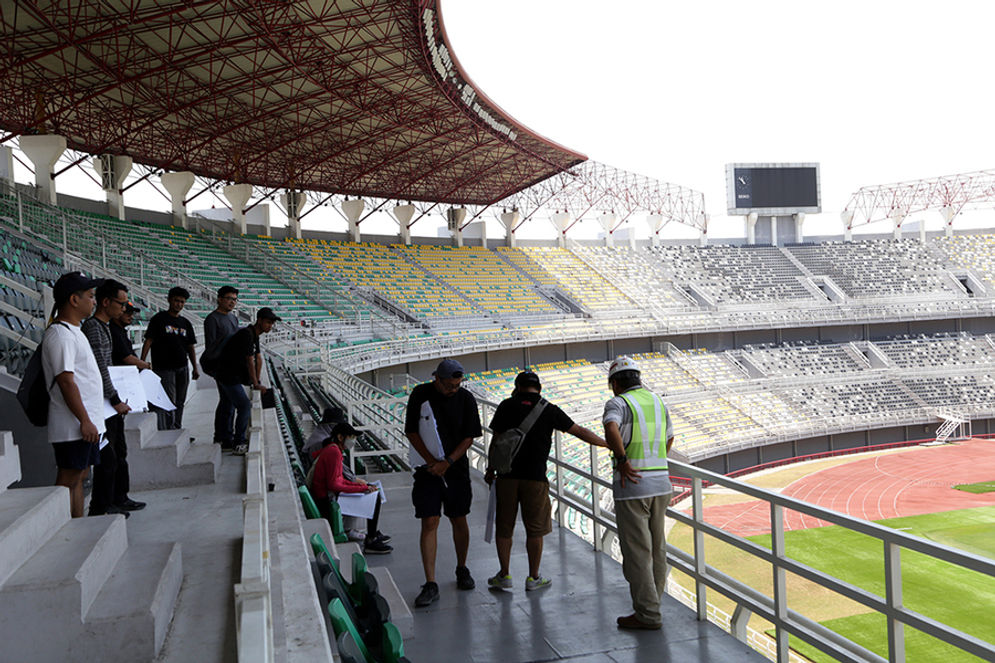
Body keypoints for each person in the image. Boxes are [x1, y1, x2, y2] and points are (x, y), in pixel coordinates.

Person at [484, 371, 606, 591]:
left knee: (504, 528)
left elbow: (497, 441)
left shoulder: (505, 406)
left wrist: (491, 469)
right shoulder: (549, 409)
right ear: (539, 388)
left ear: (517, 386)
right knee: (535, 529)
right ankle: (533, 577)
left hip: (506, 477)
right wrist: (607, 444)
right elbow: (579, 431)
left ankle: (504, 575)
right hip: (535, 479)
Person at [602, 356, 674, 630]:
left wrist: (623, 460)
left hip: (633, 487)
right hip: (661, 484)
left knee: (637, 553)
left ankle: (647, 614)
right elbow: (669, 438)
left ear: (616, 383)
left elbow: (611, 427)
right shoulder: (657, 401)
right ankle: (654, 603)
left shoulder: (618, 402)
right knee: (658, 549)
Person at [405, 358, 482, 607]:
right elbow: (411, 431)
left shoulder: (466, 399)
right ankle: (430, 582)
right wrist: (431, 462)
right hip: (427, 470)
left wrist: (447, 462)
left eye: (458, 385)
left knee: (459, 518)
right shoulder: (420, 394)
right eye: (449, 385)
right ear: (436, 379)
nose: (454, 389)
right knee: (429, 520)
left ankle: (462, 568)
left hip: (456, 469)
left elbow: (469, 436)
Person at [42, 272, 105, 518]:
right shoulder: (60, 335)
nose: (94, 302)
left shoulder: (74, 331)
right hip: (73, 426)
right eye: (90, 296)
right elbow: (66, 382)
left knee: (80, 476)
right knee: (68, 479)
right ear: (73, 300)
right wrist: (85, 420)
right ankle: (58, 527)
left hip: (83, 424)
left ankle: (77, 525)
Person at [81, 279, 142, 517]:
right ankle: (102, 506)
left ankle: (116, 499)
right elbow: (100, 369)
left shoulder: (105, 326)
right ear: (106, 302)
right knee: (108, 458)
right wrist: (115, 399)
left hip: (109, 403)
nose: (124, 308)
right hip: (104, 404)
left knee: (118, 454)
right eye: (121, 302)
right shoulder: (94, 328)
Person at [308, 422, 392, 555]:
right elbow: (334, 484)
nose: (353, 440)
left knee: (372, 492)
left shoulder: (334, 449)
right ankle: (371, 540)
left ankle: (372, 535)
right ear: (340, 437)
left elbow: (339, 480)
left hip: (328, 496)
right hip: (326, 500)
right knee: (374, 498)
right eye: (351, 437)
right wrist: (361, 489)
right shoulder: (333, 451)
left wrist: (363, 486)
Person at [215, 307, 278, 455]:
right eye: (268, 322)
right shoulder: (246, 335)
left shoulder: (254, 334)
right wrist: (255, 383)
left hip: (229, 375)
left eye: (272, 323)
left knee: (227, 405)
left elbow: (258, 358)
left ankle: (224, 439)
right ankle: (239, 442)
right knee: (243, 406)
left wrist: (257, 379)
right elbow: (250, 360)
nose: (270, 326)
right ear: (260, 320)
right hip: (228, 375)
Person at [141, 286, 199, 430]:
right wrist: (142, 362)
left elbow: (190, 346)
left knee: (180, 401)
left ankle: (177, 428)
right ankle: (170, 429)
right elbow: (149, 340)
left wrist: (195, 368)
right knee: (169, 400)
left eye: (182, 302)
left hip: (182, 367)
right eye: (176, 301)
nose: (179, 304)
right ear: (169, 300)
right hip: (164, 368)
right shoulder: (159, 319)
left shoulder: (185, 323)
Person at [204, 285, 240, 450]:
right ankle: (221, 436)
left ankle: (227, 435)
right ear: (219, 299)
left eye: (234, 299)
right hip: (221, 368)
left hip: (233, 367)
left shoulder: (233, 318)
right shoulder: (212, 319)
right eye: (229, 298)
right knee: (227, 401)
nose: (232, 302)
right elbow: (211, 347)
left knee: (230, 402)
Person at [110, 301, 150, 370]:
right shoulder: (114, 331)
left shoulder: (120, 331)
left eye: (132, 314)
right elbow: (127, 358)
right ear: (119, 313)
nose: (131, 317)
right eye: (128, 314)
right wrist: (147, 365)